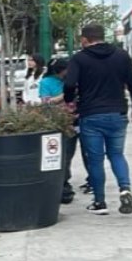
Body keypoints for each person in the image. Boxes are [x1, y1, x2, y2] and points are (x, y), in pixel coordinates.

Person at [64, 24, 132, 215]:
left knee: (95, 160)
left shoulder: (79, 58)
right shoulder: (121, 55)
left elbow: (68, 83)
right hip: (117, 113)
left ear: (85, 39)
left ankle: (99, 202)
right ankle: (125, 188)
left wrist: (69, 102)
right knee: (117, 154)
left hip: (91, 115)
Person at [40, 58, 88, 204]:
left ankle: (92, 180)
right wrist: (65, 94)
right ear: (59, 71)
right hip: (64, 123)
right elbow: (46, 102)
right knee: (67, 154)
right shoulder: (46, 82)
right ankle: (64, 185)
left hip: (81, 119)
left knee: (89, 152)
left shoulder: (76, 79)